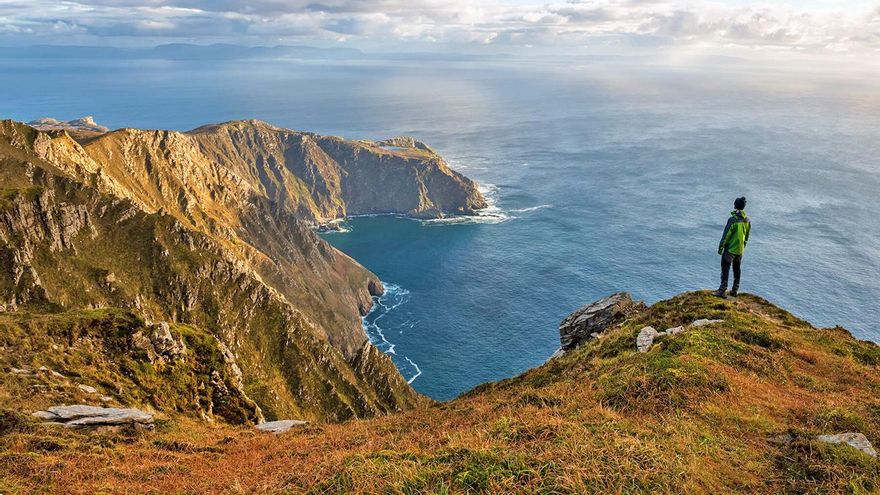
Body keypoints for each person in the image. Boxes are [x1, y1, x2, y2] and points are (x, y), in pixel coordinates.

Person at [714, 197, 750, 298]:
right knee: (737, 269)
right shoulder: (747, 220)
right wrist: (743, 246)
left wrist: (721, 247)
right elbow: (747, 236)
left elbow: (726, 235)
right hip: (740, 249)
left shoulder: (732, 220)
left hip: (730, 249)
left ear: (735, 206)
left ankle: (722, 290)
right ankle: (734, 290)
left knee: (725, 269)